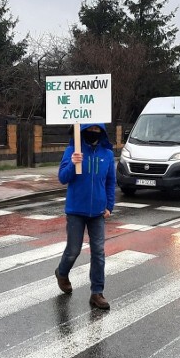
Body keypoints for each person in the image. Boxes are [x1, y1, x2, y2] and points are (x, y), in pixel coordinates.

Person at [53, 124, 116, 310]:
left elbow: (111, 182)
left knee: (98, 252)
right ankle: (62, 272)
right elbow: (63, 178)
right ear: (83, 131)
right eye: (91, 129)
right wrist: (73, 163)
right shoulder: (72, 150)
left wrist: (109, 206)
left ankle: (97, 293)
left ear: (103, 132)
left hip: (98, 212)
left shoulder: (107, 154)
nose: (93, 133)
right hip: (75, 211)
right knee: (73, 250)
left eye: (97, 130)